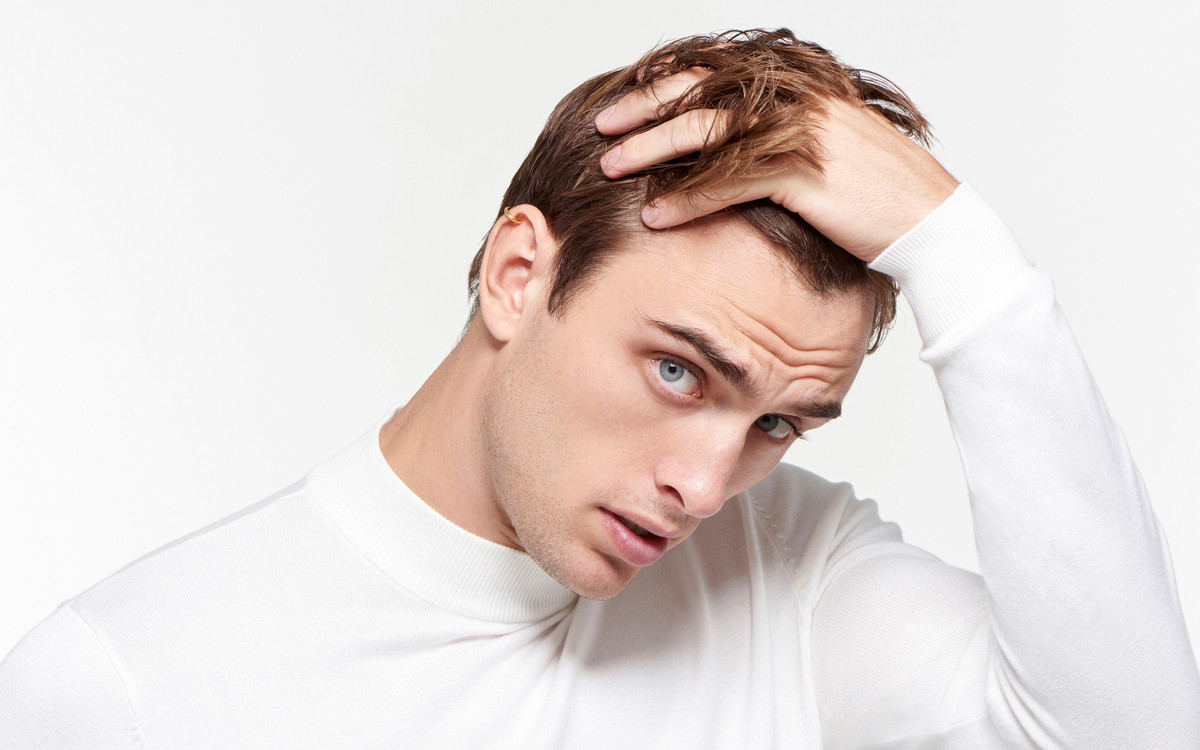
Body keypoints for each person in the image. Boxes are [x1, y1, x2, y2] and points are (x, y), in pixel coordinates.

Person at [1, 28, 1196, 749]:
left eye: (776, 423)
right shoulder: (123, 687)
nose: (706, 485)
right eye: (680, 371)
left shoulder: (794, 568)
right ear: (521, 275)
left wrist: (959, 250)